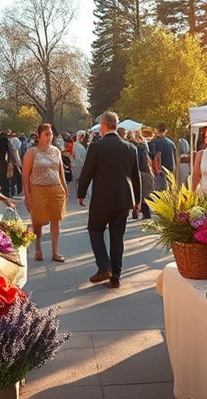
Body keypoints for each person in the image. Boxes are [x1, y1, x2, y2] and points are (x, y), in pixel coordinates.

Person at [77, 112, 140, 289]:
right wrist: (138, 199)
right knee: (117, 237)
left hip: (102, 199)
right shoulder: (130, 148)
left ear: (104, 126)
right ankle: (116, 276)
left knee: (95, 229)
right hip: (123, 198)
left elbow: (87, 172)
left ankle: (104, 266)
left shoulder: (96, 147)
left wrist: (81, 193)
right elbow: (135, 176)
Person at [23, 123, 69, 262]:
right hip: (37, 189)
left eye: (51, 134)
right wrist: (27, 194)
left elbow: (60, 171)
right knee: (38, 221)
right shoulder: (32, 152)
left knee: (56, 220)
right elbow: (25, 175)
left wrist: (65, 188)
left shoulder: (56, 151)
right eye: (46, 134)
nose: (49, 137)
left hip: (55, 189)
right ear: (39, 136)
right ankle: (38, 248)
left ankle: (55, 252)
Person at [132, 130, 154, 219]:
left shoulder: (139, 148)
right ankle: (140, 213)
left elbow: (140, 161)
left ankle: (143, 213)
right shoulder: (144, 147)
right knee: (143, 194)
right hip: (146, 171)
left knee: (140, 194)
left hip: (141, 172)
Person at [150, 123, 176, 191]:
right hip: (170, 169)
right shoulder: (171, 143)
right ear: (166, 130)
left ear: (157, 130)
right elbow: (174, 158)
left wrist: (157, 170)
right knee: (169, 190)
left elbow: (157, 156)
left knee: (160, 190)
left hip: (161, 169)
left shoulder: (157, 142)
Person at [72, 130, 89, 198]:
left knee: (76, 180)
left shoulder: (75, 145)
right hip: (79, 165)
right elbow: (77, 157)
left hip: (75, 165)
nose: (83, 138)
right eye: (82, 136)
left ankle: (77, 193)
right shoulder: (78, 146)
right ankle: (80, 193)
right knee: (80, 179)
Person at [8, 130, 24, 196]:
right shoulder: (15, 146)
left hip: (12, 165)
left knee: (13, 181)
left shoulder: (10, 144)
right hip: (15, 165)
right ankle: (16, 193)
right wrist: (20, 164)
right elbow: (16, 156)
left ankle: (13, 193)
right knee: (16, 179)